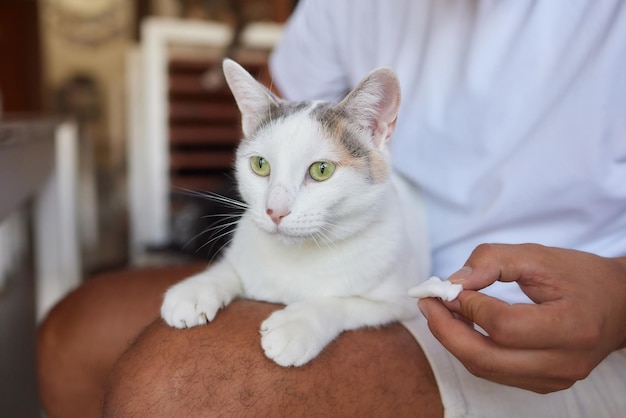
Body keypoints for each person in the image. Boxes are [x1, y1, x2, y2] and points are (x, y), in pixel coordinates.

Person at [37, 0, 626, 417]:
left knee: (175, 391)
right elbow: (278, 130)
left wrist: (621, 300)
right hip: (345, 249)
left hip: (553, 310)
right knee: (72, 337)